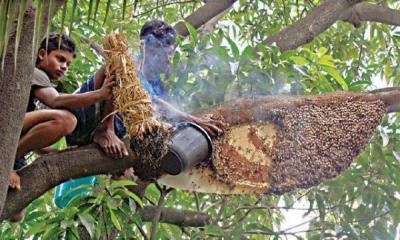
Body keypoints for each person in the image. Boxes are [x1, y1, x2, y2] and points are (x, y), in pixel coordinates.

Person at [54, 20, 223, 208]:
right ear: (151, 48)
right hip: (88, 120)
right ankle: (105, 130)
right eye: (167, 53)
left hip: (116, 134)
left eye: (171, 53)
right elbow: (152, 101)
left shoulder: (157, 84)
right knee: (116, 66)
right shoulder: (131, 63)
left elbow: (160, 109)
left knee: (128, 179)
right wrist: (192, 119)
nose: (169, 59)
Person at [8, 33, 116, 221]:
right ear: (42, 54)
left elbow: (28, 133)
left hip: (12, 137)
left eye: (68, 64)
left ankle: (12, 160)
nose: (64, 67)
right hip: (6, 136)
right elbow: (56, 100)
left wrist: (52, 152)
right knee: (67, 121)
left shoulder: (36, 83)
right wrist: (100, 95)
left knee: (16, 214)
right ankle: (8, 161)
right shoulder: (33, 72)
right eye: (60, 59)